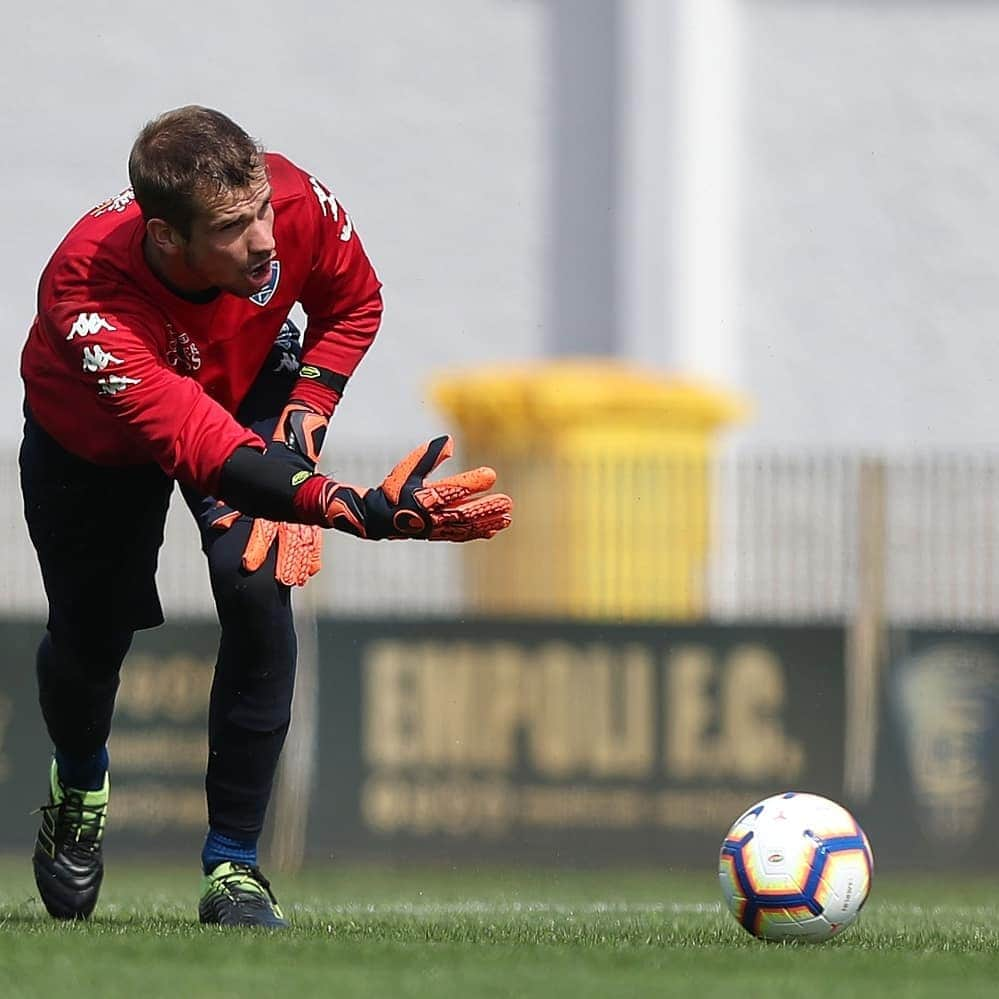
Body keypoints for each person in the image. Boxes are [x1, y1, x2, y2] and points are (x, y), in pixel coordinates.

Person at [19, 105, 513, 929]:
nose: (263, 240)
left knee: (255, 579)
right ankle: (78, 776)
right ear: (168, 238)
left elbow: (354, 302)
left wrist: (309, 406)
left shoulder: (290, 201)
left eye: (258, 209)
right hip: (95, 438)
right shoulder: (84, 293)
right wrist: (346, 504)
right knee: (88, 640)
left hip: (243, 390)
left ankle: (234, 867)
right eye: (231, 226)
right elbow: (197, 440)